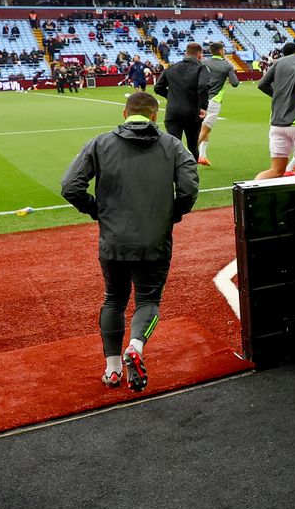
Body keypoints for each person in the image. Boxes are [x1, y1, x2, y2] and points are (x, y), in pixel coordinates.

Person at [60, 92, 198, 391]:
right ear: (154, 116)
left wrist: (98, 210)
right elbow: (188, 190)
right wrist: (169, 215)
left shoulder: (100, 143)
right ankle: (135, 346)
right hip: (154, 240)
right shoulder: (173, 145)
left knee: (114, 299)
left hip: (114, 240)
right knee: (147, 300)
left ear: (125, 114)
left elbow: (70, 186)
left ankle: (112, 370)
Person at [255, 31, 295, 179]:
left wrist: (279, 96)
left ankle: (250, 195)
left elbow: (262, 84)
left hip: (277, 123)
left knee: (276, 171)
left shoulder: (280, 62)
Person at [153, 43, 210, 156]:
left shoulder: (171, 68)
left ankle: (172, 171)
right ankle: (191, 172)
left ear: (186, 53)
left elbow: (158, 87)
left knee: (173, 145)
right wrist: (203, 106)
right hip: (192, 112)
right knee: (193, 146)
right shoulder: (201, 68)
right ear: (199, 55)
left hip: (173, 112)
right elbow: (203, 86)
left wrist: (171, 96)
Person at [195, 42, 240, 166]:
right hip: (214, 100)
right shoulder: (227, 65)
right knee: (205, 128)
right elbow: (235, 83)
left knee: (205, 128)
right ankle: (189, 153)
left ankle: (202, 156)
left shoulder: (203, 62)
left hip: (199, 99)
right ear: (221, 51)